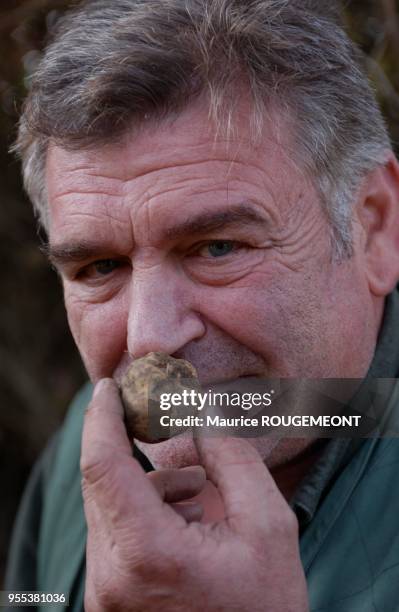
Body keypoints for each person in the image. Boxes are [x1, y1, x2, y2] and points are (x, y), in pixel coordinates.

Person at [5, 0, 399, 610]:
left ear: (374, 229)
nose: (149, 337)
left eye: (217, 248)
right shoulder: (82, 452)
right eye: (100, 267)